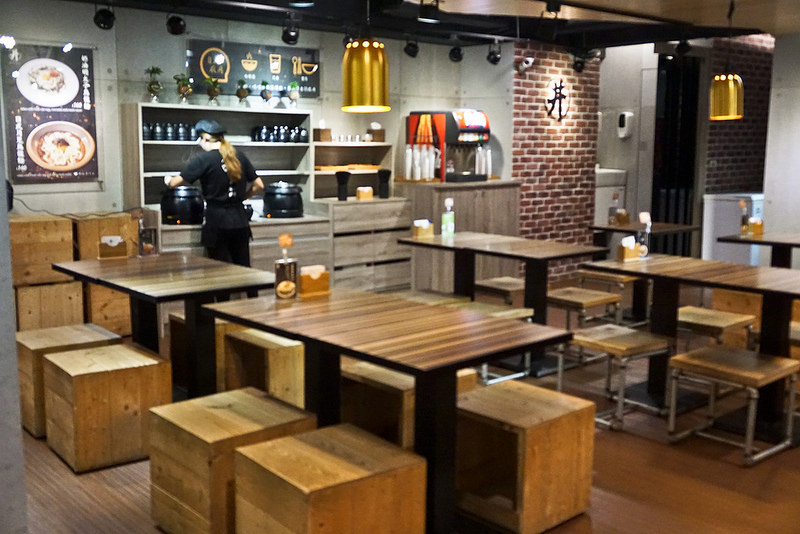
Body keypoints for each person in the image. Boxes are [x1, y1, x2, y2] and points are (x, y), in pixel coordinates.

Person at [164, 119, 263, 267]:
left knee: (219, 271)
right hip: (240, 222)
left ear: (204, 139)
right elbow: (259, 185)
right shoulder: (239, 157)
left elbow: (174, 183)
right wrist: (242, 197)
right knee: (244, 269)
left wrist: (167, 180)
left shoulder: (203, 160)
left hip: (217, 223)